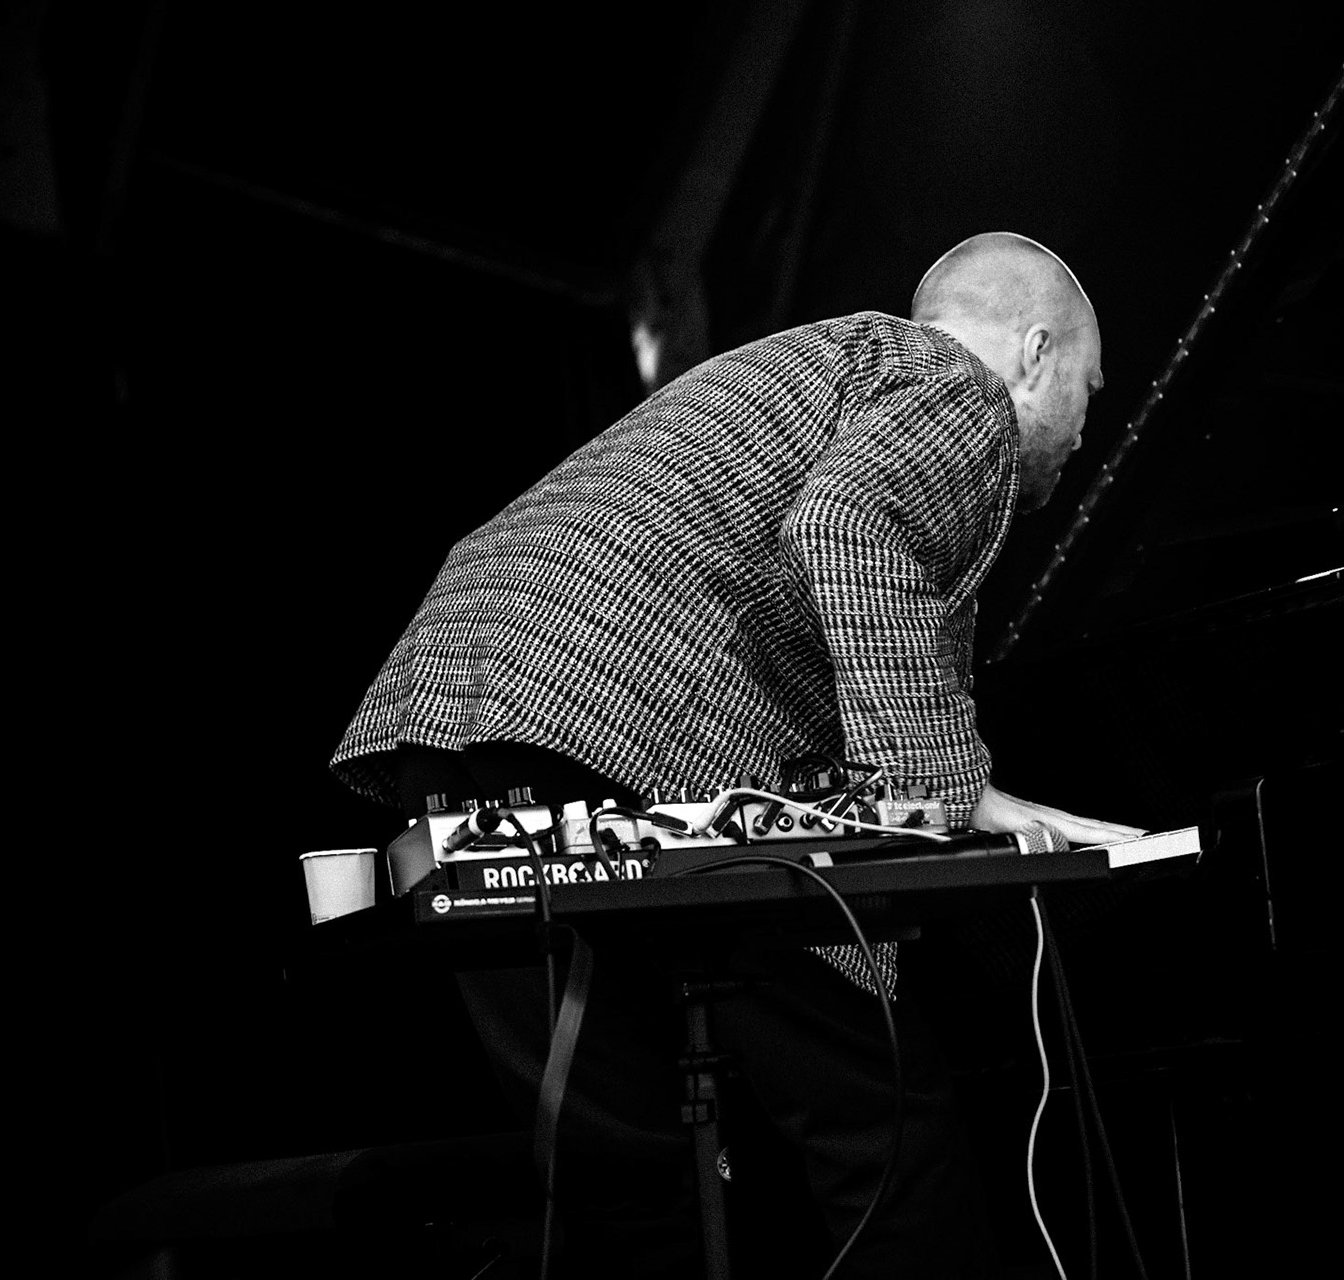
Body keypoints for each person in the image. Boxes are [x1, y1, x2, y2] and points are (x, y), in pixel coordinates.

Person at [330, 231, 1142, 1276]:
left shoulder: (822, 374)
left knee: (624, 1161)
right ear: (1034, 350)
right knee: (881, 1117)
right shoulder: (957, 387)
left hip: (458, 702)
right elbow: (850, 523)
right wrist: (957, 789)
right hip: (611, 708)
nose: (1085, 428)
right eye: (1088, 384)